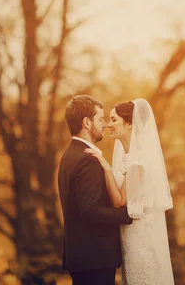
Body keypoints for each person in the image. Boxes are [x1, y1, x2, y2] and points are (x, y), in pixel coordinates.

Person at [85, 98, 175, 285]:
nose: (109, 125)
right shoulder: (127, 158)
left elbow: (120, 201)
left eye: (114, 120)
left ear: (130, 125)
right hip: (128, 241)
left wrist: (106, 168)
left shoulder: (137, 162)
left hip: (139, 243)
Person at [57, 95, 134, 285]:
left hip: (85, 258)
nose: (105, 125)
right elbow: (91, 211)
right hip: (95, 259)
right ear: (86, 122)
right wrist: (126, 215)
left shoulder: (70, 155)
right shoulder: (86, 159)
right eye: (100, 119)